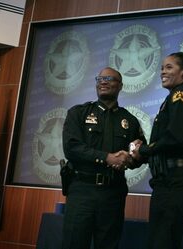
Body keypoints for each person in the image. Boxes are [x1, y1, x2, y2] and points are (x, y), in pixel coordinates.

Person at [61, 67, 146, 249]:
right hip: (82, 190)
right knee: (73, 244)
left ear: (120, 86)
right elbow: (72, 148)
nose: (103, 82)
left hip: (113, 193)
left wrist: (132, 157)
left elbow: (139, 155)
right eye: (100, 79)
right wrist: (107, 158)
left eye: (109, 78)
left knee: (108, 245)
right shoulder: (78, 113)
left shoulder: (129, 120)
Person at [131, 52, 183, 249]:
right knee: (159, 241)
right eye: (162, 67)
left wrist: (143, 150)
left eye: (169, 67)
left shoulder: (180, 96)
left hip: (175, 183)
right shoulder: (172, 98)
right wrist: (139, 154)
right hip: (167, 181)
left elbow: (175, 138)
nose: (163, 71)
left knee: (162, 242)